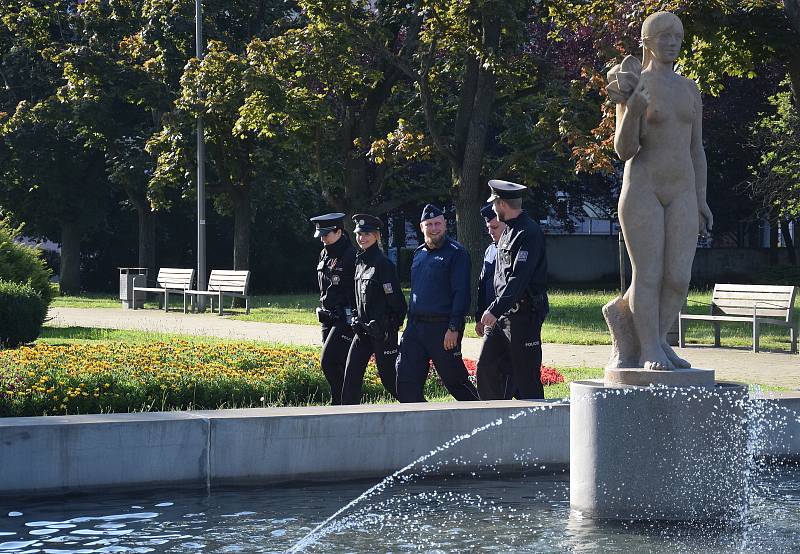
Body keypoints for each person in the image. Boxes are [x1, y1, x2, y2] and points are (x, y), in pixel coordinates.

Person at [605, 11, 712, 369]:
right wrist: (633, 109)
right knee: (648, 274)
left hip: (682, 189)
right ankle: (649, 347)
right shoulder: (635, 84)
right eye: (664, 37)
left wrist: (701, 197)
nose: (672, 43)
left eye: (677, 37)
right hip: (643, 189)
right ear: (647, 42)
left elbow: (697, 149)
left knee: (679, 277)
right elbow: (623, 150)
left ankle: (657, 338)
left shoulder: (689, 89)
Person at [395, 204, 480, 402]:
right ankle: (419, 424)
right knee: (406, 380)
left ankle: (480, 413)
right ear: (421, 227)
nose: (434, 228)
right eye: (429, 224)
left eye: (438, 223)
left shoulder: (457, 253)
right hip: (415, 327)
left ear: (445, 225)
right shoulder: (419, 253)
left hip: (442, 328)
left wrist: (454, 327)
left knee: (455, 381)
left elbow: (461, 294)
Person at [477, 180, 549, 400]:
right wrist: (493, 309)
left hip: (523, 317)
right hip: (502, 316)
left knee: (526, 378)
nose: (494, 209)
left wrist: (494, 310)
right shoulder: (507, 231)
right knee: (487, 369)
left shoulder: (528, 233)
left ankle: (537, 426)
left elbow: (518, 279)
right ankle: (492, 419)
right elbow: (500, 277)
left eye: (495, 203)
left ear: (502, 204)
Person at [340, 214, 407, 404]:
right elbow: (356, 297)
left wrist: (390, 325)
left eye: (367, 233)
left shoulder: (383, 264)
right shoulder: (359, 261)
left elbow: (397, 302)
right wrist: (354, 316)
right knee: (351, 375)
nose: (362, 237)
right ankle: (347, 419)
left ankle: (417, 408)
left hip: (382, 332)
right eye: (360, 234)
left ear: (377, 236)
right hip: (362, 331)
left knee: (389, 380)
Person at [309, 212, 356, 404]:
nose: (322, 238)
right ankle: (341, 402)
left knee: (327, 361)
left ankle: (344, 402)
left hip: (344, 318)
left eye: (326, 234)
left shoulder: (351, 255)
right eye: (320, 234)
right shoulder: (324, 253)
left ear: (339, 232)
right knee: (336, 364)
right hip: (327, 318)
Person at [474, 203, 514, 400]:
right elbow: (483, 285)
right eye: (488, 228)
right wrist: (478, 317)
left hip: (511, 317)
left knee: (514, 369)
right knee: (484, 367)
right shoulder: (490, 250)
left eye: (495, 227)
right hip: (490, 318)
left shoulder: (515, 246)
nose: (491, 232)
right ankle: (490, 409)